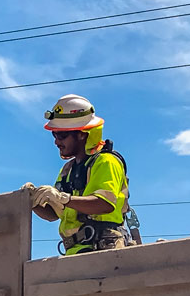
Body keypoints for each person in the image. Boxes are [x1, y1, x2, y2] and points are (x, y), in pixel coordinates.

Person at [28, 94, 130, 255]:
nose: (56, 141)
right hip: (75, 252)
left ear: (82, 134)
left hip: (103, 249)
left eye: (62, 135)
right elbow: (53, 214)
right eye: (54, 134)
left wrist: (63, 198)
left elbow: (104, 204)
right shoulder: (68, 170)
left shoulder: (106, 161)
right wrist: (32, 201)